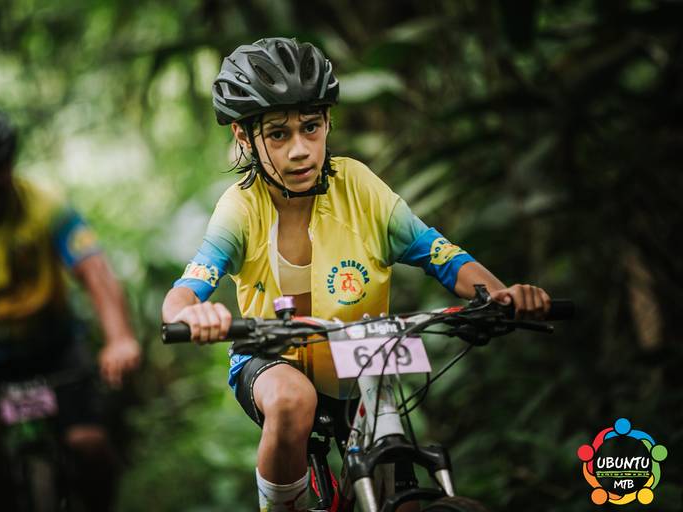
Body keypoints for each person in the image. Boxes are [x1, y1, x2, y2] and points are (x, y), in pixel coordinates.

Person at [161, 37, 552, 512]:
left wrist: (502, 295)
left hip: (360, 364)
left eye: (311, 127)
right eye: (278, 135)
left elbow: (442, 255)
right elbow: (185, 292)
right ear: (244, 137)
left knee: (402, 499)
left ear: (328, 122)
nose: (300, 150)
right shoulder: (240, 208)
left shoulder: (359, 186)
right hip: (272, 362)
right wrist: (193, 314)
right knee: (292, 400)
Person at [0, 110, 141, 512]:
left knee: (89, 445)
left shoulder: (47, 207)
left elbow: (95, 271)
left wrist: (120, 338)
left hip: (53, 349)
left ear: (10, 165)